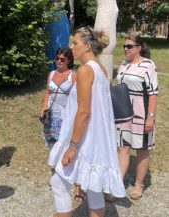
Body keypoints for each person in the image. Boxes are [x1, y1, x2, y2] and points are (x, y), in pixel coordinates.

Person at [48, 27, 125, 217]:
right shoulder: (100, 68)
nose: (71, 47)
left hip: (84, 139)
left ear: (87, 45)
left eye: (75, 43)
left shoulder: (84, 71)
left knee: (58, 183)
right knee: (94, 187)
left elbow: (84, 111)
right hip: (96, 138)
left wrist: (72, 147)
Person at [116, 35, 158, 200]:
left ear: (139, 48)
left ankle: (138, 184)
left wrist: (150, 117)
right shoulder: (124, 64)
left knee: (141, 150)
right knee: (122, 148)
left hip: (142, 114)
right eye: (124, 46)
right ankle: (117, 185)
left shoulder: (148, 65)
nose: (126, 49)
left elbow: (153, 94)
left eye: (129, 46)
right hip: (123, 113)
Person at [41, 47, 75, 148]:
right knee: (52, 144)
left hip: (64, 115)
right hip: (51, 115)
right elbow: (48, 92)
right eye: (57, 58)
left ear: (69, 60)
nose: (59, 61)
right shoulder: (51, 74)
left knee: (63, 144)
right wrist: (44, 106)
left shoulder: (73, 76)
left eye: (62, 59)